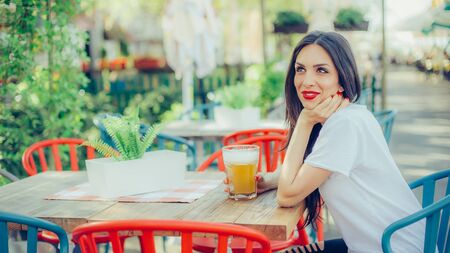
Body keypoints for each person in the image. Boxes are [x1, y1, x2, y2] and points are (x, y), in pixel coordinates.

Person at [226, 31, 425, 253]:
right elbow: (309, 174)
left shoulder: (344, 125)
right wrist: (270, 179)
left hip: (391, 248)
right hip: (389, 243)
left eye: (321, 70)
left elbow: (287, 196)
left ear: (342, 79)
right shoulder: (350, 116)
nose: (306, 81)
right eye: (300, 69)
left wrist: (304, 122)